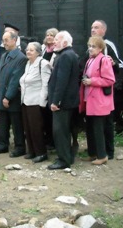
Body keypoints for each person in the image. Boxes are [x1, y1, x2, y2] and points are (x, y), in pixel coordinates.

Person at [89, 19, 123, 159]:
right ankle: (96, 151)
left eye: (96, 27)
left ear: (103, 30)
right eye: (92, 27)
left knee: (107, 123)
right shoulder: (91, 46)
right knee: (94, 124)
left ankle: (109, 152)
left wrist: (112, 62)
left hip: (105, 92)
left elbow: (119, 65)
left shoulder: (108, 45)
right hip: (92, 93)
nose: (93, 29)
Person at [79, 36, 115, 165]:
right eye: (89, 46)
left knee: (98, 129)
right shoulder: (90, 60)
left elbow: (110, 80)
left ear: (100, 48)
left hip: (99, 101)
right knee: (90, 128)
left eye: (93, 46)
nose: (90, 48)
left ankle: (102, 156)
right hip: (89, 100)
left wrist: (92, 81)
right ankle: (92, 153)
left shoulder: (103, 60)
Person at [47, 31, 80, 170]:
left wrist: (56, 101)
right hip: (68, 101)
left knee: (60, 131)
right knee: (65, 130)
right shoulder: (70, 54)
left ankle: (63, 160)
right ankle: (67, 156)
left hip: (63, 102)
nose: (54, 42)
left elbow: (62, 81)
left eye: (57, 40)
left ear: (65, 42)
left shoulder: (65, 56)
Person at [0, 31, 27, 156]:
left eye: (6, 40)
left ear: (14, 40)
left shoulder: (21, 58)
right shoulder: (4, 56)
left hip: (12, 97)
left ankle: (19, 147)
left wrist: (8, 96)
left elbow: (15, 79)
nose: (4, 43)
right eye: (3, 40)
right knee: (2, 122)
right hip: (2, 94)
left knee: (16, 123)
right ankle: (2, 144)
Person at [20, 42, 52, 163]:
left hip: (36, 102)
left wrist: (42, 102)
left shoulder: (42, 64)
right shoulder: (28, 63)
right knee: (28, 127)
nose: (28, 52)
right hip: (25, 101)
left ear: (38, 52)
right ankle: (32, 151)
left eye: (31, 50)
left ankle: (41, 152)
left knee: (36, 128)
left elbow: (45, 84)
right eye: (27, 50)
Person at [41, 27, 58, 149]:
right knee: (44, 115)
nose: (49, 37)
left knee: (51, 115)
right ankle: (46, 138)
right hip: (42, 85)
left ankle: (53, 140)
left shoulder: (57, 51)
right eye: (47, 34)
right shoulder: (43, 50)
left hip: (51, 85)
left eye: (52, 35)